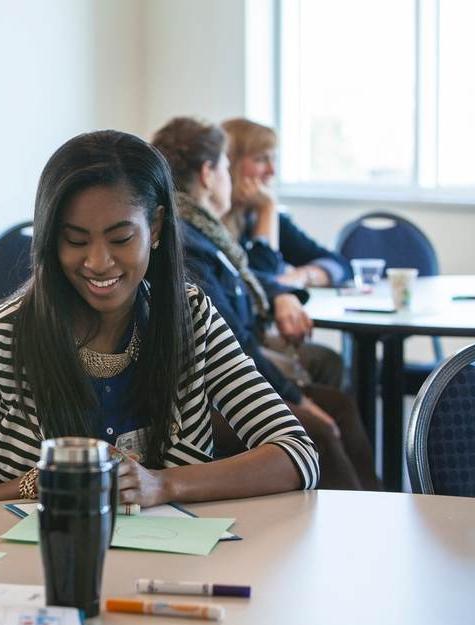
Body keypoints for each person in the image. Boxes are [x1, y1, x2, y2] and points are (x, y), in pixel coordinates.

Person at [0, 129, 319, 507]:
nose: (98, 262)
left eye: (121, 239)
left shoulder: (190, 316)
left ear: (156, 227)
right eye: (75, 240)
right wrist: (33, 485)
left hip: (172, 572)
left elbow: (297, 453)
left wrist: (162, 485)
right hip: (38, 570)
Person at [151, 116, 378, 491]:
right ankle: (349, 523)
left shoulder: (207, 231)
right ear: (209, 173)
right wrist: (298, 399)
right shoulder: (189, 240)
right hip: (203, 395)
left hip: (232, 368)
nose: (270, 171)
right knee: (317, 427)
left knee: (338, 405)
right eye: (226, 165)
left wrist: (288, 288)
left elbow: (264, 284)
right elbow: (236, 346)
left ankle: (377, 506)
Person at [221, 117, 352, 290]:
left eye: (273, 159)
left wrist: (303, 275)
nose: (272, 171)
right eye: (261, 159)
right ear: (230, 163)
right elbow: (261, 287)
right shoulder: (210, 221)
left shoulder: (256, 214)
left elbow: (340, 266)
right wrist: (267, 209)